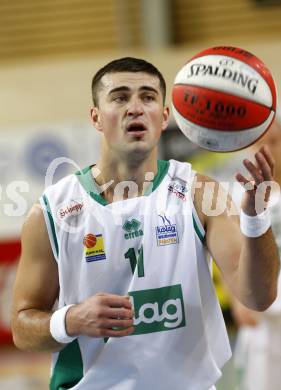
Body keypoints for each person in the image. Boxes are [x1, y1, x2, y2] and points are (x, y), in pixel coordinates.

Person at [11, 57, 280, 390]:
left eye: (148, 97)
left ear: (164, 116)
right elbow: (22, 328)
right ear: (96, 117)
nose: (135, 108)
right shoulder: (51, 211)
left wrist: (255, 221)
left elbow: (258, 296)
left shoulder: (200, 193)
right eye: (120, 97)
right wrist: (70, 320)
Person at [229, 115, 281, 390]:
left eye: (274, 142)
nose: (268, 152)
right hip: (263, 317)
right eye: (260, 144)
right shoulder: (244, 198)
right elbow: (236, 255)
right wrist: (239, 301)